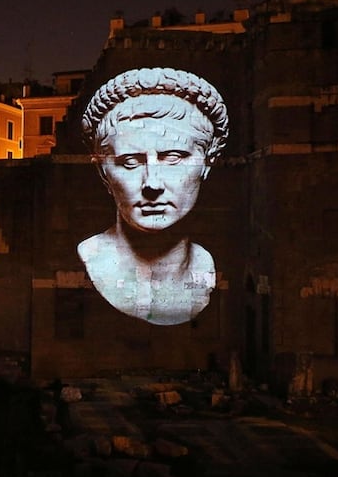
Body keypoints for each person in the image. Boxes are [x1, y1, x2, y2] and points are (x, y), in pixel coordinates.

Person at [77, 67, 229, 325]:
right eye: (130, 162)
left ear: (208, 163)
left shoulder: (208, 266)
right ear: (102, 171)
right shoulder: (91, 256)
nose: (152, 183)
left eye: (173, 158)